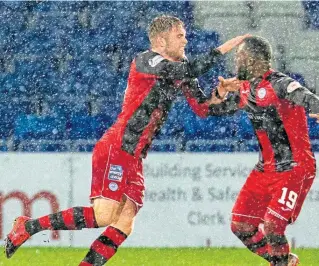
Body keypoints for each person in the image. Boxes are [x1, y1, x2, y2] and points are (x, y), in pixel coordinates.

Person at [4, 15, 247, 265]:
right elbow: (188, 70)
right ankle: (28, 226)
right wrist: (223, 49)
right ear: (162, 40)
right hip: (118, 146)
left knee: (125, 222)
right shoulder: (146, 60)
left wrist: (224, 94)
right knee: (104, 216)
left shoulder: (181, 65)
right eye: (180, 35)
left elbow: (202, 108)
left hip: (135, 154)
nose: (185, 40)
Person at [201, 36, 319, 266]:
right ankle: (282, 261)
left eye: (239, 58)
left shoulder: (279, 83)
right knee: (240, 225)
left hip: (294, 166)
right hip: (265, 169)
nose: (236, 64)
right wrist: (221, 91)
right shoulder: (245, 88)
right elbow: (213, 110)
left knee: (273, 224)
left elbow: (305, 96)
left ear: (253, 61)